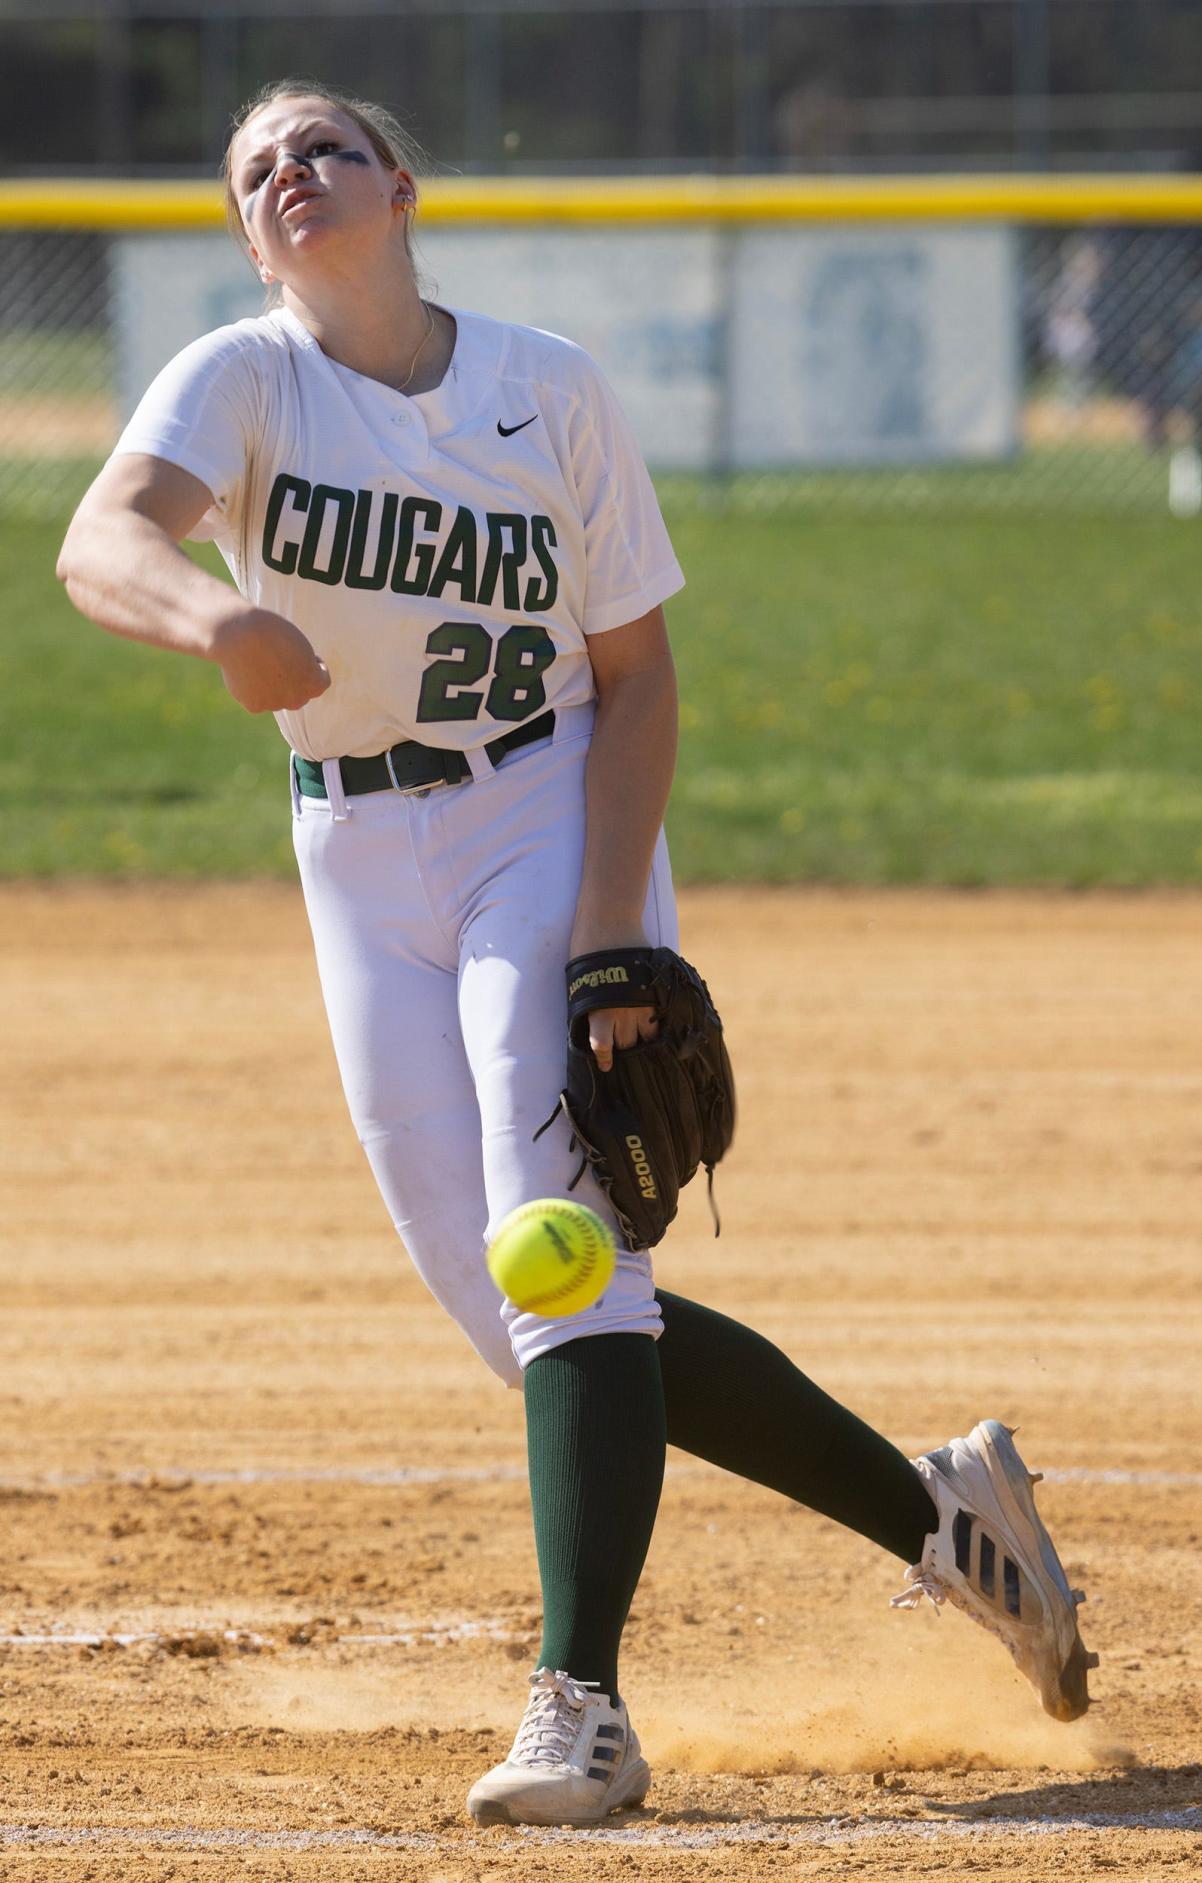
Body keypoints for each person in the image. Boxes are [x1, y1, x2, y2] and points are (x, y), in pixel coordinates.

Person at [57, 80, 1096, 1829]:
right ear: (251, 237)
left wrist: (612, 931)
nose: (289, 173)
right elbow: (103, 538)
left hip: (536, 814)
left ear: (400, 184)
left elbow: (635, 675)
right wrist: (212, 615)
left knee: (571, 1268)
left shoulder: (546, 388)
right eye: (256, 169)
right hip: (351, 847)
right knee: (519, 1297)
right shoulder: (242, 378)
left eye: (323, 146)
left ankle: (582, 1707)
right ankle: (947, 1521)